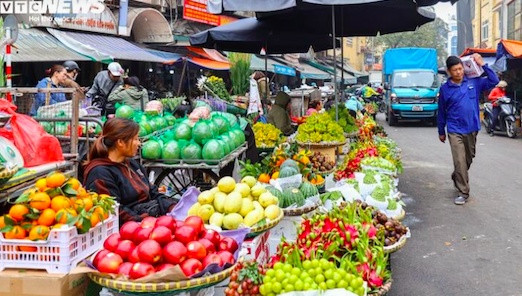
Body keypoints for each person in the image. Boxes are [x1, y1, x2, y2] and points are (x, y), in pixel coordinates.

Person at [83, 118, 176, 223]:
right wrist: (144, 220)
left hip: (147, 222)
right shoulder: (100, 173)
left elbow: (152, 191)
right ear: (120, 142)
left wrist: (171, 206)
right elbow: (115, 211)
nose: (139, 144)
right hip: (127, 230)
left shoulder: (132, 164)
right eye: (135, 139)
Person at [438, 54, 499, 205]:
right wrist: (441, 131)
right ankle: (463, 192)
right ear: (449, 71)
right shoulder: (445, 89)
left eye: (460, 69)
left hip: (472, 128)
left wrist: (482, 64)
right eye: (455, 70)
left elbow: (494, 81)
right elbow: (441, 111)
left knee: (468, 158)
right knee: (459, 161)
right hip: (454, 129)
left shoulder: (474, 81)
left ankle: (457, 176)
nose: (458, 72)